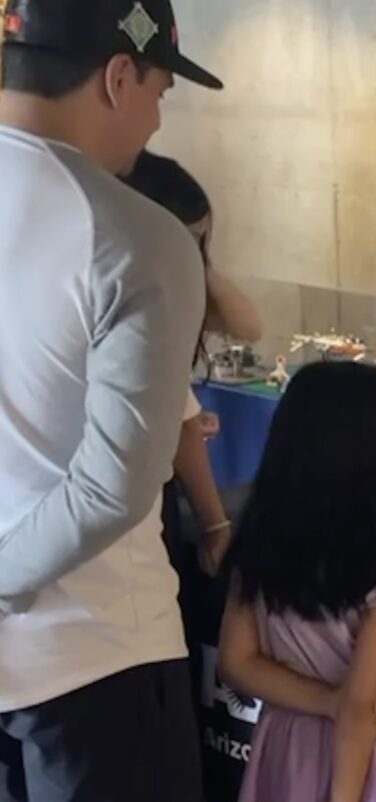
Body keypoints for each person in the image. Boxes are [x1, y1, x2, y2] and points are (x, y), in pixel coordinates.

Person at [0, 0, 223, 799]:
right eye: (161, 92)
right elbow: (113, 487)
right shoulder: (136, 233)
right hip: (99, 662)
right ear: (118, 75)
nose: (157, 123)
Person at [219, 361, 376, 802]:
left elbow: (236, 662)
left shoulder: (256, 541)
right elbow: (361, 707)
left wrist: (323, 701)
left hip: (290, 743)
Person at [124, 150, 262, 577]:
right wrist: (216, 522)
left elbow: (248, 325)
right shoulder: (140, 304)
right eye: (185, 240)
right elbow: (180, 429)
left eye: (201, 241)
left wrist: (200, 265)